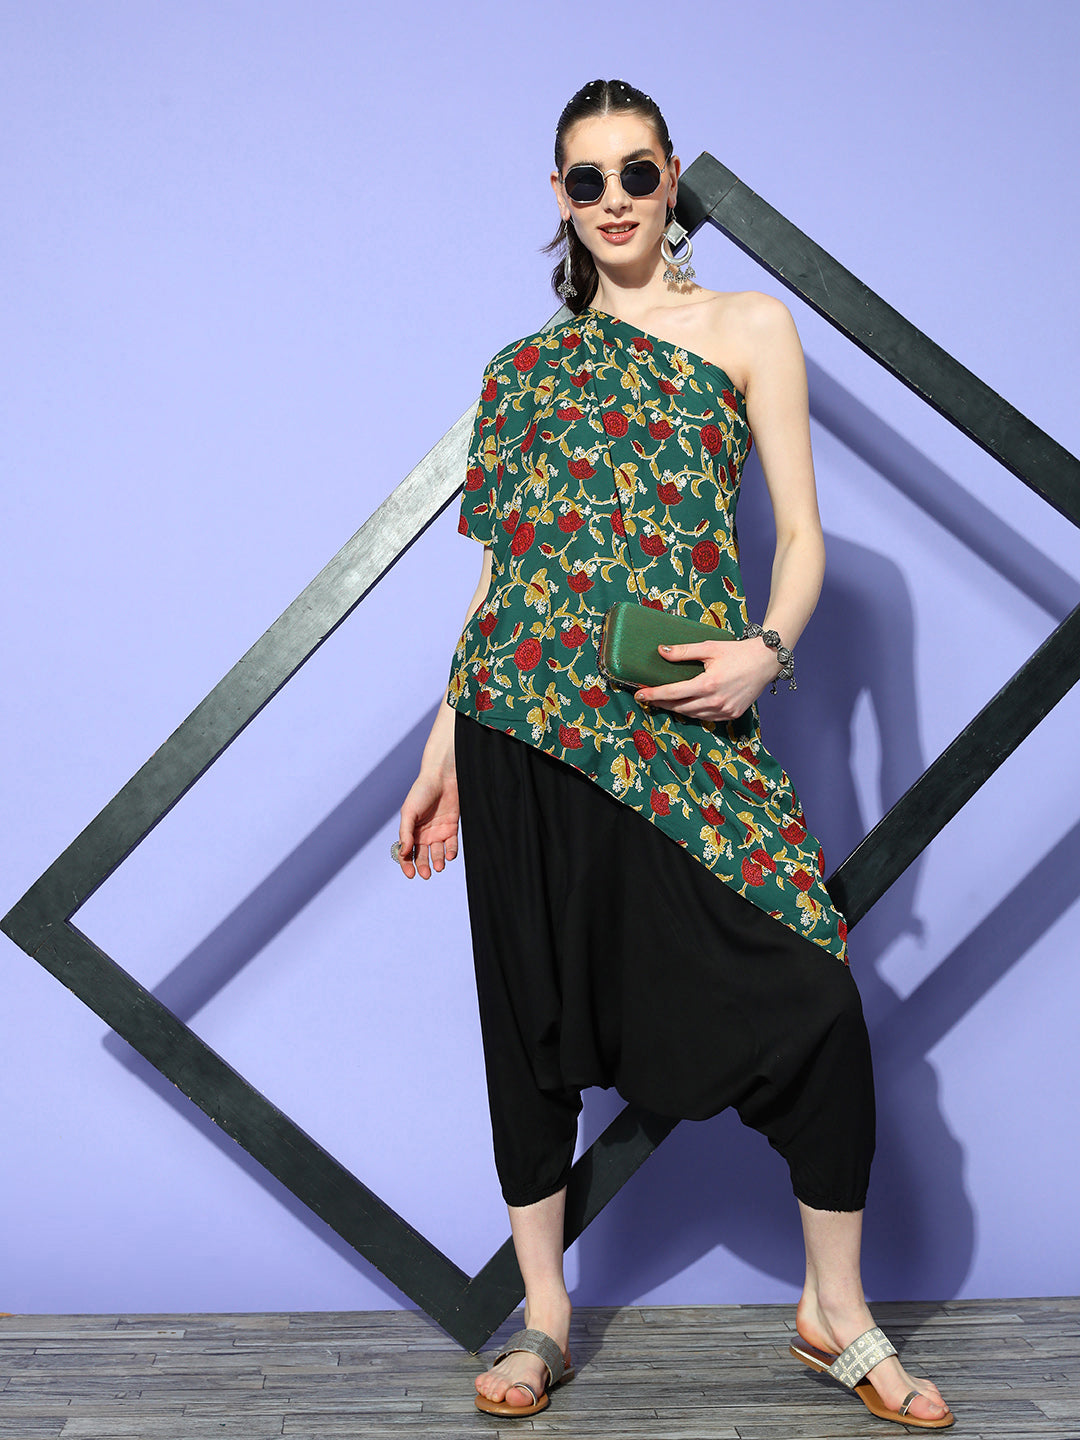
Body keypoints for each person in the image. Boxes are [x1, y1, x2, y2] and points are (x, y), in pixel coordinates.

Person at [395, 78, 953, 1430]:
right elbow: (499, 585)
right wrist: (440, 750)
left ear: (671, 176)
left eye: (636, 173)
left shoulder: (750, 327)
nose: (615, 202)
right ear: (560, 197)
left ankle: (835, 1312)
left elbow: (803, 538)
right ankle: (545, 1315)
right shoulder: (521, 372)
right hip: (518, 719)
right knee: (529, 1024)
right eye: (587, 181)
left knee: (812, 1004)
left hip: (676, 724)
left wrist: (767, 648)